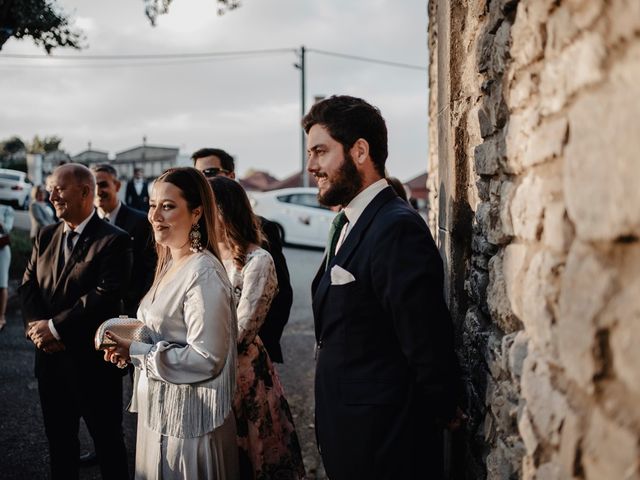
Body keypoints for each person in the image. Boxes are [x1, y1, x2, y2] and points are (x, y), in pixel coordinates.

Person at [303, 95, 460, 480]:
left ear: (359, 150)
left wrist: (443, 406)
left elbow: (424, 336)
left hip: (384, 443)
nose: (311, 167)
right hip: (349, 431)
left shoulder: (396, 226)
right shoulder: (350, 223)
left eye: (320, 152)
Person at [103, 167, 239, 480]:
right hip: (161, 414)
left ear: (196, 213)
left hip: (188, 429)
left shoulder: (203, 274)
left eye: (168, 206)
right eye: (152, 205)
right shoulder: (171, 263)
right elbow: (165, 328)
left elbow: (207, 359)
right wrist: (126, 340)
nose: (155, 215)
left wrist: (136, 352)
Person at [18, 163, 132, 480]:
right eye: (51, 188)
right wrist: (37, 328)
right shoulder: (45, 235)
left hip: (92, 364)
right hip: (50, 362)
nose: (51, 195)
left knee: (108, 443)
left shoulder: (114, 240)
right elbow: (28, 287)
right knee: (59, 445)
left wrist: (54, 328)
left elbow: (104, 295)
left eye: (59, 188)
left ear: (84, 192)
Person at [209, 176, 305, 480]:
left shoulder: (258, 260)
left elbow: (243, 330)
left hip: (241, 375)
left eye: (204, 208)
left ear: (223, 210)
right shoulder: (203, 257)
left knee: (250, 458)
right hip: (205, 372)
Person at [192, 147, 293, 363]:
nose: (203, 181)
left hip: (243, 354)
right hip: (202, 357)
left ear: (230, 176)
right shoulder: (198, 244)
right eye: (198, 176)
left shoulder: (263, 235)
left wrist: (261, 343)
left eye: (208, 173)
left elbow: (281, 293)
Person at [92, 164, 156, 316]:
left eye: (103, 185)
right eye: (93, 186)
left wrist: (139, 306)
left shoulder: (140, 222)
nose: (97, 191)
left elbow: (151, 267)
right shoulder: (88, 224)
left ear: (117, 185)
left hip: (132, 312)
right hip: (94, 314)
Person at [0, 203, 15, 332]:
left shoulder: (6, 209)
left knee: (2, 283)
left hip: (2, 250)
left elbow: (7, 229)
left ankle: (1, 317)